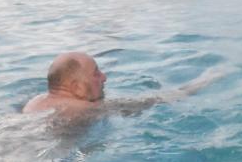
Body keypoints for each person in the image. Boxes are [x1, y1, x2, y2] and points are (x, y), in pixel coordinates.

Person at [23, 51, 218, 119]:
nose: (104, 77)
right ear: (77, 88)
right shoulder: (86, 109)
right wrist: (205, 80)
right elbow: (156, 100)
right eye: (96, 73)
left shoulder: (34, 103)